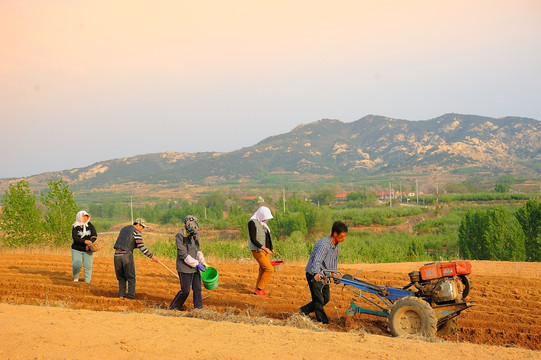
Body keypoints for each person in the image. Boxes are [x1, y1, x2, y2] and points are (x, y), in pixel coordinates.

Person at [299, 221, 348, 324]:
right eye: (342, 236)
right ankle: (323, 322)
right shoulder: (324, 244)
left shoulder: (336, 245)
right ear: (335, 234)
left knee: (326, 298)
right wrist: (316, 273)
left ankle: (303, 310)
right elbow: (317, 261)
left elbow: (334, 261)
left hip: (324, 275)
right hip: (314, 273)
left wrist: (334, 275)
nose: (344, 239)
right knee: (318, 300)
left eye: (345, 236)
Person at [169, 215, 209, 310]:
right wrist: (196, 264)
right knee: (185, 290)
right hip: (184, 267)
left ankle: (198, 309)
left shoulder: (195, 233)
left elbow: (197, 250)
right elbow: (183, 254)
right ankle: (173, 307)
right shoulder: (180, 235)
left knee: (197, 289)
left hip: (195, 267)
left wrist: (202, 261)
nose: (194, 231)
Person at [113, 218, 159, 299]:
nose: (142, 229)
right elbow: (141, 246)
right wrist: (152, 256)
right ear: (138, 224)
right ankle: (130, 297)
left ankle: (121, 296)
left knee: (121, 278)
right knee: (131, 278)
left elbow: (126, 241)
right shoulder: (136, 232)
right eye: (142, 227)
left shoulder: (124, 229)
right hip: (126, 256)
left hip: (116, 256)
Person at [248, 206, 275, 296]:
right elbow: (253, 239)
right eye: (264, 218)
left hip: (265, 251)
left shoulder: (263, 224)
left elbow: (268, 237)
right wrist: (263, 247)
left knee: (263, 270)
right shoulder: (252, 223)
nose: (265, 220)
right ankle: (260, 289)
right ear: (261, 214)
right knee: (269, 269)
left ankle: (257, 290)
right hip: (257, 250)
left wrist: (271, 248)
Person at [71, 210, 98, 283]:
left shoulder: (90, 225)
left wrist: (90, 243)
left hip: (88, 249)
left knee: (88, 266)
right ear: (79, 217)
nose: (85, 218)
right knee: (77, 265)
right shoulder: (75, 226)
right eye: (83, 217)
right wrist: (84, 241)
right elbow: (75, 237)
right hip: (77, 249)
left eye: (86, 217)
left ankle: (87, 282)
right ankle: (76, 279)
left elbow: (94, 236)